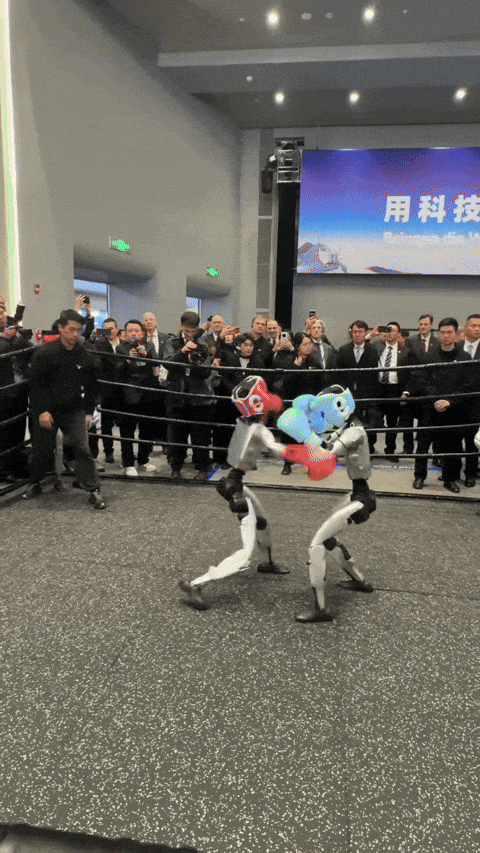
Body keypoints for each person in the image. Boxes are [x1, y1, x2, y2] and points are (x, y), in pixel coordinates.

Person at [178, 375, 336, 611]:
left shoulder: (243, 420)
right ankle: (196, 584)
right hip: (235, 488)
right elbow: (275, 448)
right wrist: (308, 454)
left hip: (235, 482)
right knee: (245, 555)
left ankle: (268, 563)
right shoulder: (257, 428)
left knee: (262, 522)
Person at [278, 385, 375, 623]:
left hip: (362, 499)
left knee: (316, 545)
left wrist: (304, 434)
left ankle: (320, 609)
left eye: (325, 412)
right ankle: (360, 581)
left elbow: (327, 452)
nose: (325, 417)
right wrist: (307, 432)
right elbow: (323, 443)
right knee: (328, 538)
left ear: (340, 406)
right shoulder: (347, 428)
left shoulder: (355, 432)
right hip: (357, 494)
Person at [22, 309, 106, 508]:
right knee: (42, 450)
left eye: (79, 330)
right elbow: (36, 386)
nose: (75, 334)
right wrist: (41, 411)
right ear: (61, 328)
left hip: (73, 409)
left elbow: (92, 387)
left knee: (82, 448)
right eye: (71, 330)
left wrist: (88, 412)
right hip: (47, 409)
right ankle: (35, 482)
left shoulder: (85, 356)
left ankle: (93, 489)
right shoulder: (44, 353)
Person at [412, 317, 474, 492]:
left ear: (456, 334)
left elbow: (467, 385)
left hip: (454, 408)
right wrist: (436, 400)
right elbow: (422, 381)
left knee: (453, 445)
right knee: (423, 444)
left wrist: (450, 401)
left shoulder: (464, 357)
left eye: (449, 332)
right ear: (438, 334)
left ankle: (450, 478)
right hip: (431, 408)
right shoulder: (429, 356)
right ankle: (419, 476)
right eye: (443, 332)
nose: (446, 336)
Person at [163, 310, 216, 480]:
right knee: (176, 435)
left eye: (193, 330)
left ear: (198, 328)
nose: (190, 334)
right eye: (187, 330)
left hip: (199, 398)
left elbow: (206, 372)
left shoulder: (205, 343)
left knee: (200, 436)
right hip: (177, 395)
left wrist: (195, 362)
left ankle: (202, 469)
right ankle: (176, 468)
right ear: (181, 327)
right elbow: (167, 364)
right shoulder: (172, 342)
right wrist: (182, 352)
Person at [117, 319, 159, 476]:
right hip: (129, 394)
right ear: (126, 333)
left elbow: (156, 362)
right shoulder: (121, 348)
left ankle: (143, 460)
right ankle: (128, 463)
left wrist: (145, 354)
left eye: (137, 330)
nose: (134, 333)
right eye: (130, 331)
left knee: (147, 429)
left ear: (142, 332)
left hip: (148, 393)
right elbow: (118, 369)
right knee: (127, 430)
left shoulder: (149, 345)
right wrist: (129, 359)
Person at [334, 321, 382, 454]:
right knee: (347, 422)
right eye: (354, 332)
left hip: (366, 393)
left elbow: (374, 374)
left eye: (360, 332)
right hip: (347, 393)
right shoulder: (343, 350)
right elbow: (337, 373)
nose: (357, 335)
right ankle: (345, 448)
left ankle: (369, 449)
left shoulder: (373, 351)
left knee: (368, 422)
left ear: (365, 333)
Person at [371, 321, 415, 461]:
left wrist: (406, 391)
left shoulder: (406, 351)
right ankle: (370, 449)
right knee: (374, 419)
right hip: (378, 388)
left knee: (392, 421)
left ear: (398, 334)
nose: (390, 333)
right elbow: (362, 346)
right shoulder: (376, 346)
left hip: (395, 389)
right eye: (388, 330)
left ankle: (390, 450)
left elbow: (411, 374)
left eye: (393, 330)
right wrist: (371, 335)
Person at [0, 303, 33, 481]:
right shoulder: (4, 338)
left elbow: (27, 352)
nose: (3, 317)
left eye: (3, 313)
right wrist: (4, 338)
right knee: (4, 433)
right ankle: (4, 470)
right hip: (4, 392)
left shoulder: (12, 334)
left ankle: (17, 467)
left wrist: (20, 339)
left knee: (18, 431)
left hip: (19, 390)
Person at [90, 318, 123, 464]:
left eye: (112, 328)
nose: (109, 331)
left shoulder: (124, 343)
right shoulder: (99, 344)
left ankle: (126, 452)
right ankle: (108, 452)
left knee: (124, 422)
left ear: (117, 329)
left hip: (123, 387)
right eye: (106, 329)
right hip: (107, 387)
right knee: (107, 423)